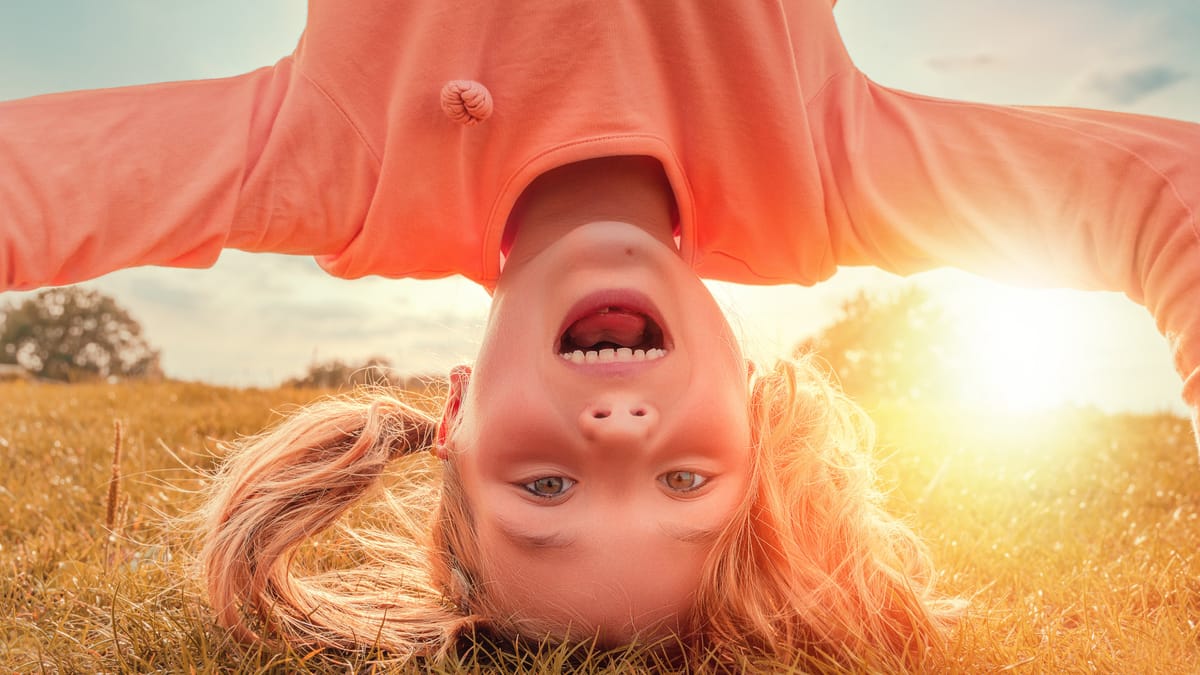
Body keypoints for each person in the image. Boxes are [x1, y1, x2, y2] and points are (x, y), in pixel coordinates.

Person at [1, 0, 1196, 667]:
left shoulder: (329, 164)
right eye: (685, 477)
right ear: (751, 406)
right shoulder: (828, 170)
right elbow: (1165, 195)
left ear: (457, 416)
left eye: (547, 487)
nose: (619, 431)